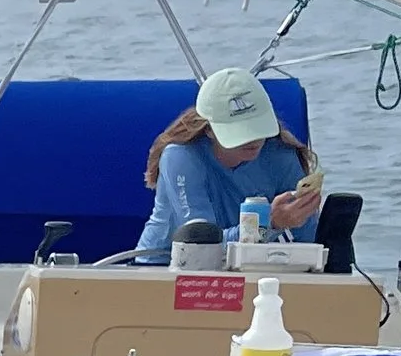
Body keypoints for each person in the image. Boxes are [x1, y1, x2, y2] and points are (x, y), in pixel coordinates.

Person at [133, 63, 323, 261]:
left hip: (252, 266)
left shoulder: (280, 154)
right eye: (240, 132)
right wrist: (270, 223)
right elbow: (201, 247)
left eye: (258, 127)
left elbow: (306, 242)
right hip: (162, 264)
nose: (253, 139)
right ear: (208, 129)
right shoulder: (180, 157)